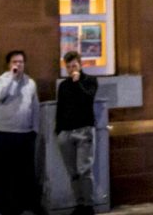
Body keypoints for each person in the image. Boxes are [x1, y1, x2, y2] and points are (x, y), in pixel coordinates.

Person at [0, 49, 42, 215]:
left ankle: (23, 207)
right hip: (4, 133)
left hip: (24, 134)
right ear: (9, 64)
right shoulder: (1, 80)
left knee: (24, 173)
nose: (18, 65)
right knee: (4, 173)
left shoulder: (30, 83)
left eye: (21, 62)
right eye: (15, 62)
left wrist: (35, 129)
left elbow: (35, 107)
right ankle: (2, 207)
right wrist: (12, 80)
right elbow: (0, 95)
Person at [55, 51, 98, 215]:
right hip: (65, 132)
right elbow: (60, 109)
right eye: (68, 66)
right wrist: (58, 131)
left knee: (84, 170)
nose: (71, 69)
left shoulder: (90, 81)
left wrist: (78, 82)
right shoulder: (63, 86)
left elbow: (88, 99)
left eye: (74, 65)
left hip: (83, 130)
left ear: (80, 65)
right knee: (72, 172)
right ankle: (79, 204)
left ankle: (89, 205)